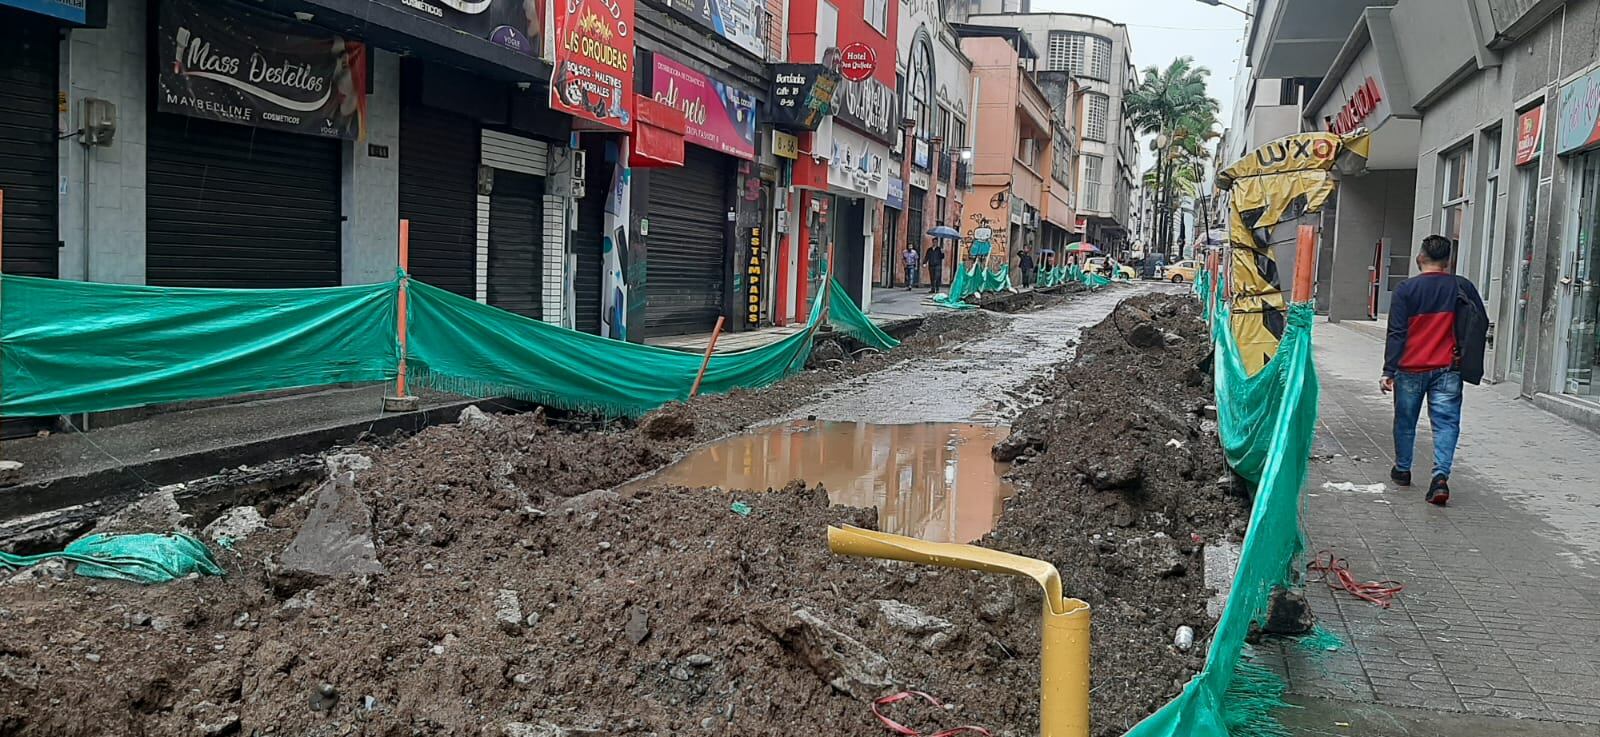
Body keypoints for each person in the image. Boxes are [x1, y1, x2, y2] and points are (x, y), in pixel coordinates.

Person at [1382, 234, 1489, 506]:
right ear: (1448, 261)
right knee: (1446, 423)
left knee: (1405, 421)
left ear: (1420, 258)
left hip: (1409, 368)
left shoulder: (1406, 290)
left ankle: (1403, 469)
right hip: (1447, 368)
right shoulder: (1460, 286)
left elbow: (1397, 333)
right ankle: (1440, 476)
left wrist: (1388, 370)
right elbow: (1480, 321)